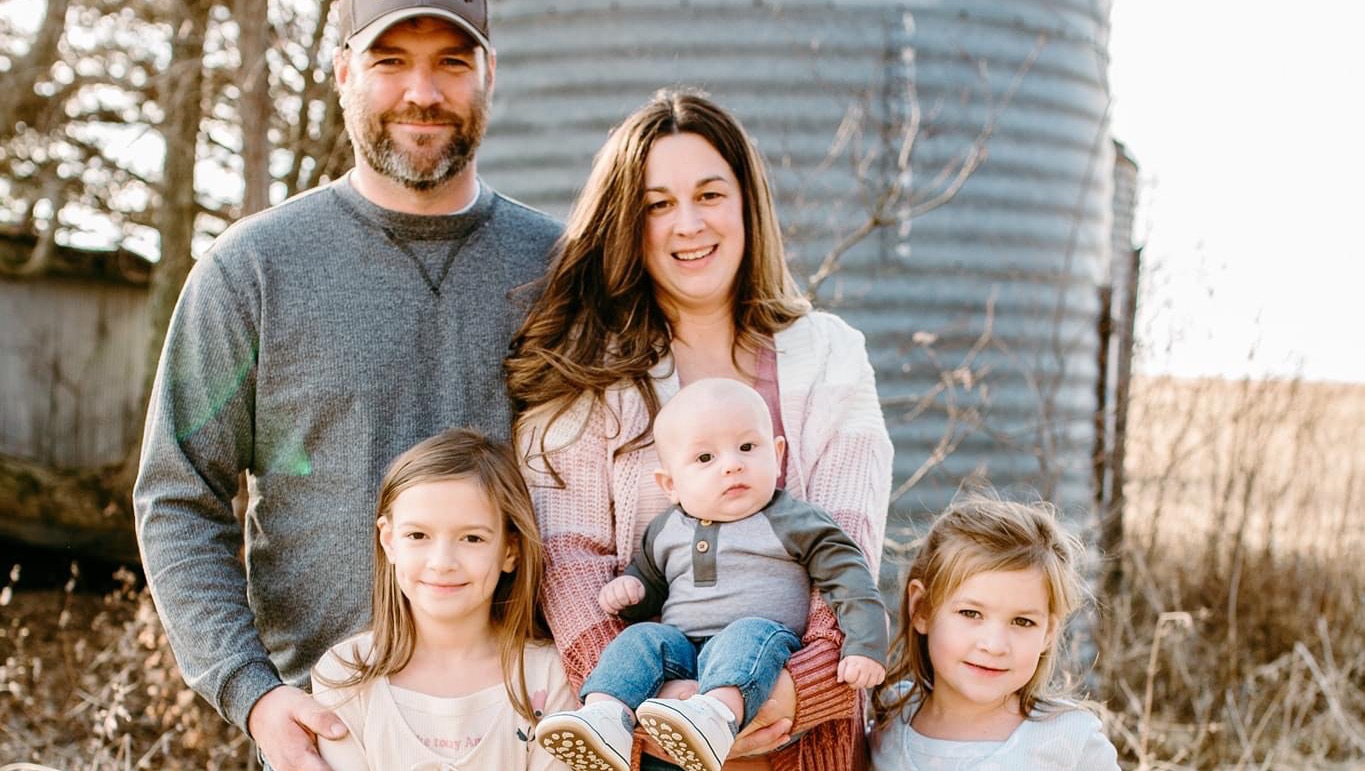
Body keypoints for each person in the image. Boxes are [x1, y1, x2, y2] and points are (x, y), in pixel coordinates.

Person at [132, 1, 561, 769]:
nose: (422, 91)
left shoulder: (561, 270)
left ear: (489, 75)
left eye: (452, 62)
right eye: (390, 61)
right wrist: (253, 694)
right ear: (342, 73)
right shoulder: (251, 271)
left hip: (528, 728)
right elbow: (178, 494)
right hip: (329, 736)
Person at [506, 88, 895, 771]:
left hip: (804, 737)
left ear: (746, 203)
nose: (688, 224)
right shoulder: (585, 371)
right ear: (628, 224)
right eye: (657, 205)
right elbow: (569, 564)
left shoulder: (829, 355)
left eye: (709, 195)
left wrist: (786, 695)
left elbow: (846, 552)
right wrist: (658, 705)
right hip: (643, 736)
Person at [534, 379, 888, 771]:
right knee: (642, 638)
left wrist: (865, 644)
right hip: (685, 653)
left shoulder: (794, 519)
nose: (732, 464)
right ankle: (604, 717)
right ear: (671, 485)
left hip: (762, 652)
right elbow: (650, 588)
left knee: (744, 632)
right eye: (705, 458)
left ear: (777, 455)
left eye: (747, 447)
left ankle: (715, 717)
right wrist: (631, 593)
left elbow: (850, 578)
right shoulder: (664, 530)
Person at [310, 428, 575, 770]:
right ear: (389, 541)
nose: (442, 563)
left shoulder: (548, 676)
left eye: (472, 538)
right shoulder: (346, 675)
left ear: (510, 550)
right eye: (418, 535)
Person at [868, 491, 1120, 770]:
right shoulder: (888, 719)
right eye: (971, 613)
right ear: (921, 609)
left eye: (1022, 621)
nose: (995, 645)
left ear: (1048, 632)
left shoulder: (1069, 739)